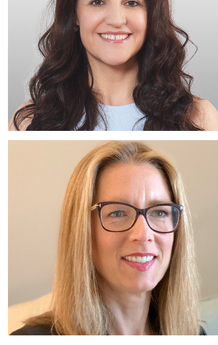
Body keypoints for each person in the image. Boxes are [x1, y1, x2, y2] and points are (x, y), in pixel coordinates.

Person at [10, 0, 218, 131]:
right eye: (97, 2)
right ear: (74, 14)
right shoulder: (30, 121)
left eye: (132, 3)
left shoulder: (198, 117)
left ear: (151, 15)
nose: (117, 19)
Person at [11, 142, 203, 334]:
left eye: (160, 212)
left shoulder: (193, 333)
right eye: (118, 213)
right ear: (82, 230)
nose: (144, 234)